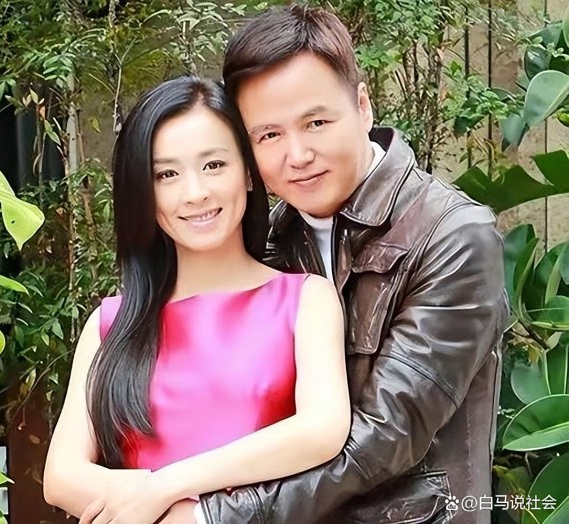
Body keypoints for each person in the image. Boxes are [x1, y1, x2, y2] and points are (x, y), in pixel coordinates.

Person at [166, 5, 508, 524]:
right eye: (269, 135)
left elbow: (387, 435)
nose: (298, 154)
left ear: (363, 107)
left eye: (317, 123)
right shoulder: (268, 240)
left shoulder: (453, 235)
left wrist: (211, 516)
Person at [42, 76, 351, 524]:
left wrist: (169, 491)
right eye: (166, 174)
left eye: (214, 165)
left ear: (248, 172)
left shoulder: (305, 300)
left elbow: (322, 430)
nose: (195, 193)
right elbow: (62, 476)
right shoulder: (111, 324)